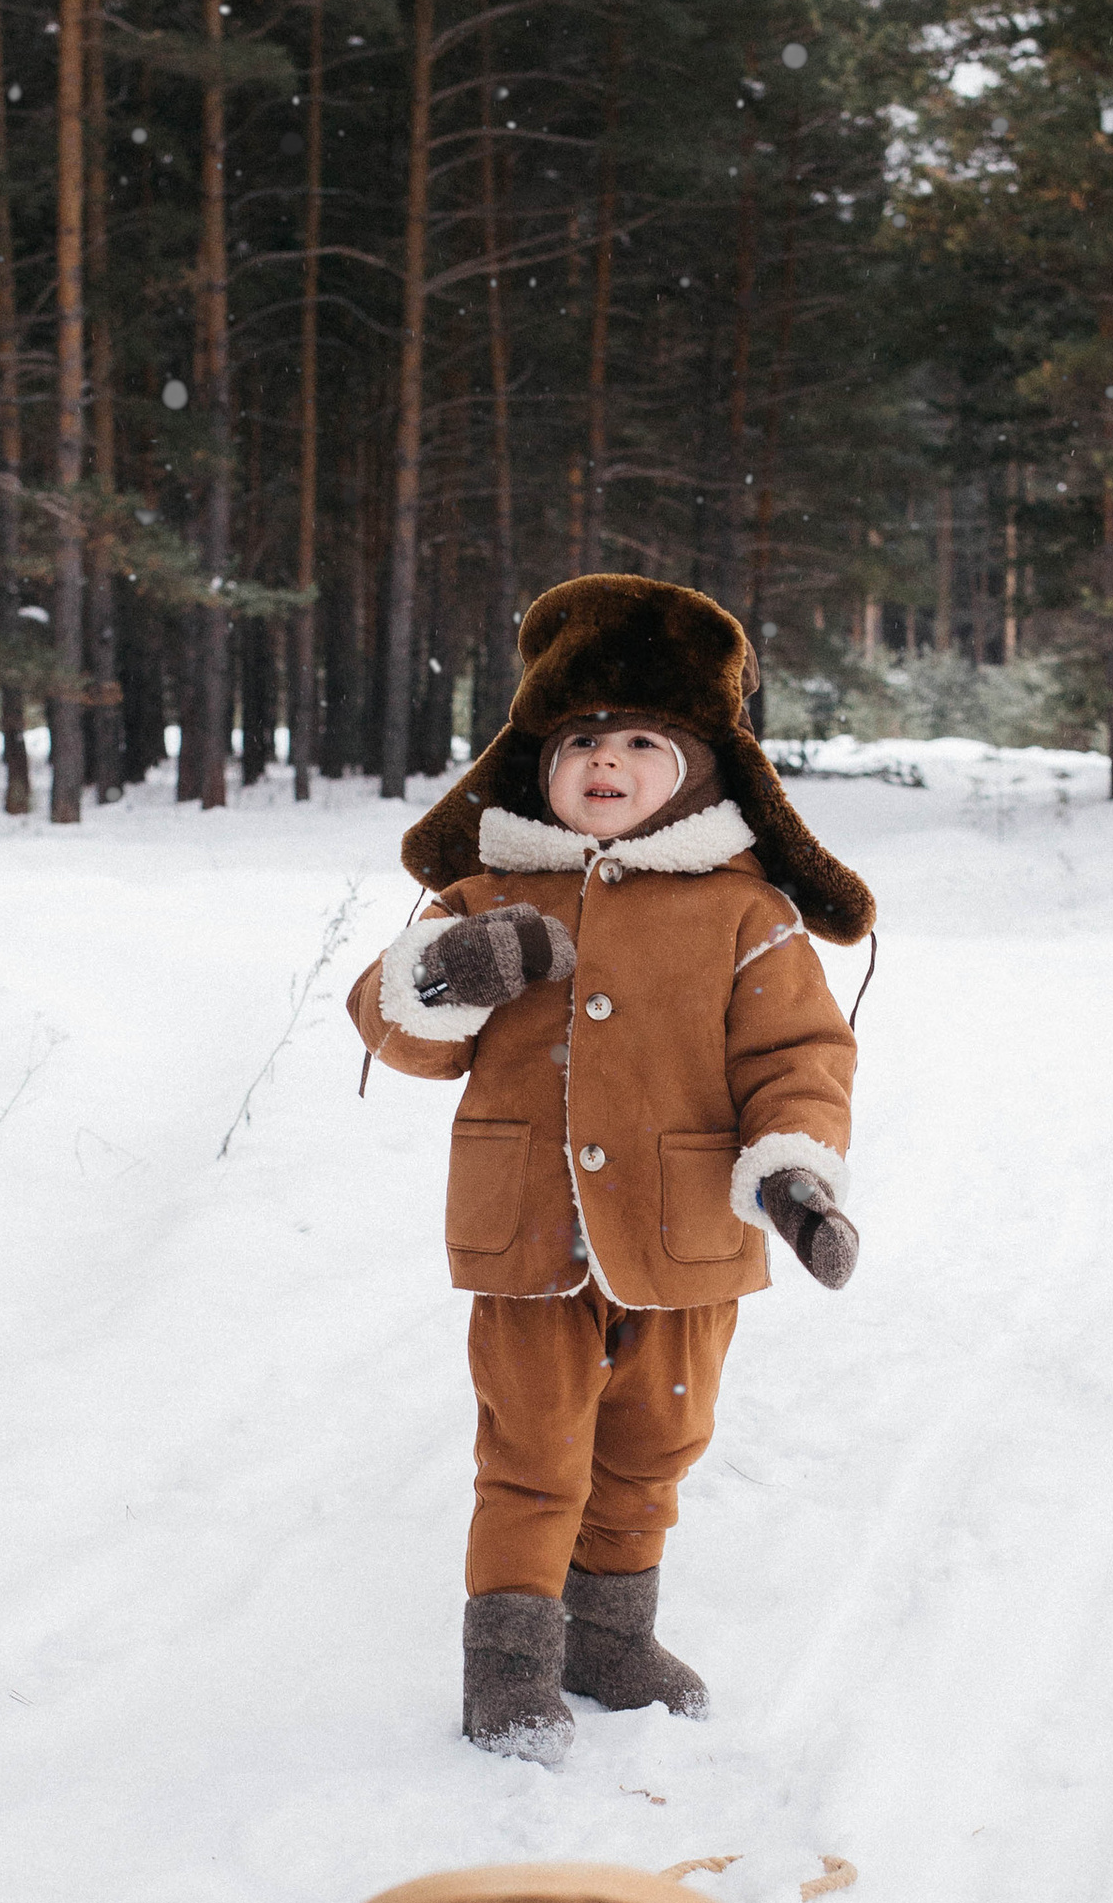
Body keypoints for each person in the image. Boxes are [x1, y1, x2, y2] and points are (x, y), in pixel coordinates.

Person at [349, 571, 874, 1763]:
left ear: (696, 770)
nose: (606, 759)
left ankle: (608, 1635)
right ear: (535, 760)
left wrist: (796, 1177)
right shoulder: (482, 894)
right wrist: (446, 973)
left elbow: (800, 1055)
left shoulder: (746, 916)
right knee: (530, 1450)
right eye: (581, 737)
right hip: (528, 1233)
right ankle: (510, 1667)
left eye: (641, 740)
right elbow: (386, 1026)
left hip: (687, 1229)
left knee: (653, 1448)